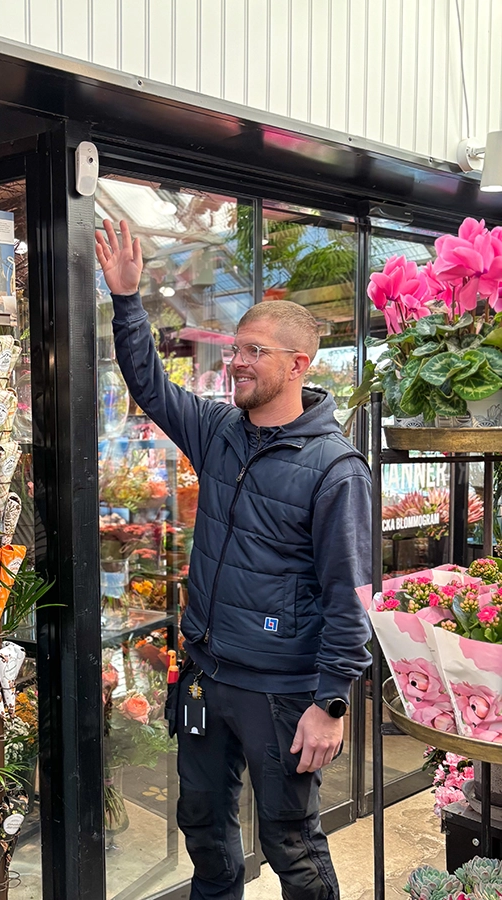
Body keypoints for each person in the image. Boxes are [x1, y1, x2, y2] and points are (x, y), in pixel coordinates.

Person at [95, 219, 371, 900]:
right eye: (236, 347)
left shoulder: (335, 470)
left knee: (292, 845)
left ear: (299, 363)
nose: (238, 361)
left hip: (283, 693)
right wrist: (128, 301)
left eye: (256, 350)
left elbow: (352, 599)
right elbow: (151, 388)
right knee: (205, 832)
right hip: (205, 677)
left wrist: (329, 704)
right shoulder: (221, 432)